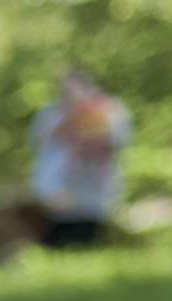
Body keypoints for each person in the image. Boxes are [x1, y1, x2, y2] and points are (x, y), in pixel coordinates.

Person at [30, 69, 131, 249]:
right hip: (59, 180)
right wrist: (71, 116)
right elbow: (39, 140)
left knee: (89, 227)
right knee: (58, 226)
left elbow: (117, 140)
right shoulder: (52, 111)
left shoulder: (109, 109)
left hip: (94, 180)